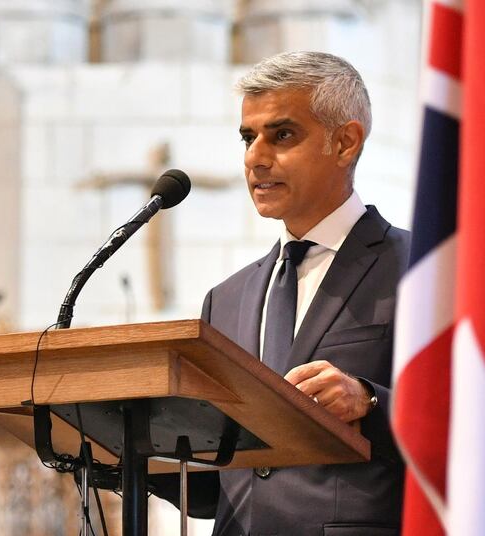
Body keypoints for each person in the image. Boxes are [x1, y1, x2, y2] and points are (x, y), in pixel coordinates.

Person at [162, 51, 409, 536]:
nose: (255, 156)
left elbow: (476, 422)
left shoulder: (416, 269)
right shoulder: (225, 299)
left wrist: (371, 403)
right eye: (247, 137)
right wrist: (137, 452)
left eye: (283, 134)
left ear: (345, 142)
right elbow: (228, 484)